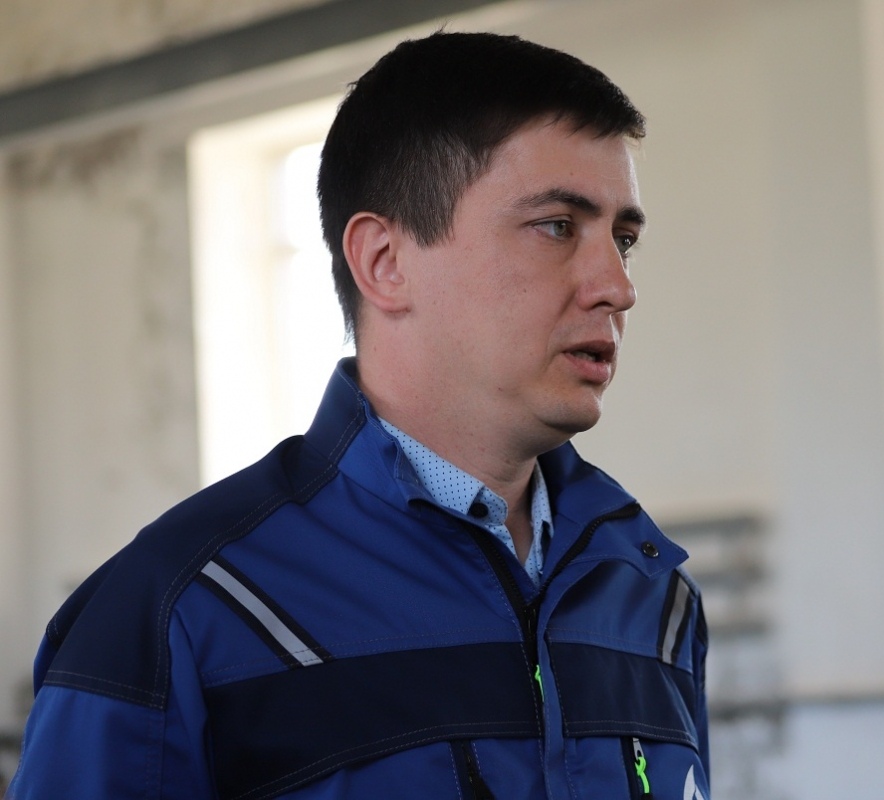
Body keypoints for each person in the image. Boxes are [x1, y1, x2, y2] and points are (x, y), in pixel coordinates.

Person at [9, 31, 709, 799]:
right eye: (558, 226)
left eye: (624, 240)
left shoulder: (653, 598)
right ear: (385, 262)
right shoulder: (179, 613)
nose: (617, 286)